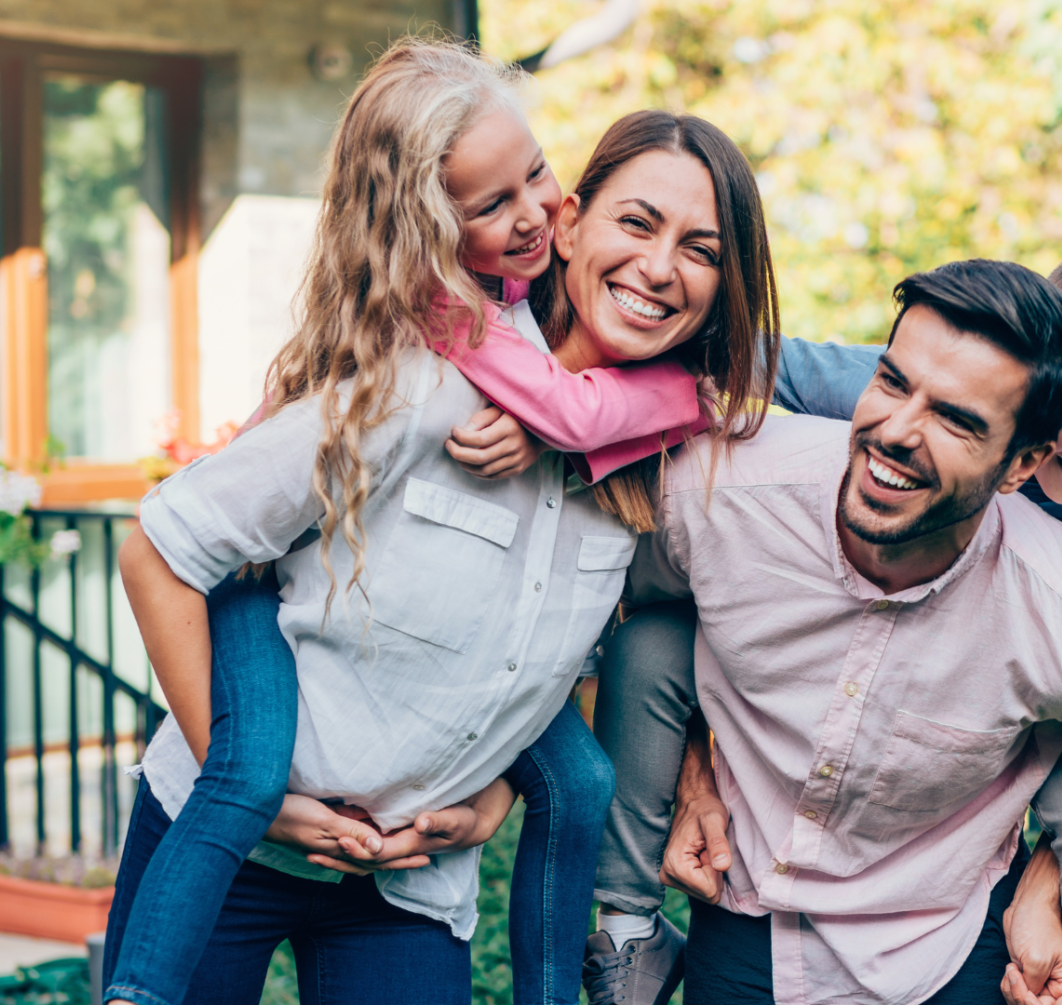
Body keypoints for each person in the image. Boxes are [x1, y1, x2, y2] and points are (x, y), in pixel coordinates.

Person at [103, 38, 780, 1004]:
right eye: (638, 221)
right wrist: (249, 788)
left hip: (408, 882)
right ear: (577, 221)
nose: (662, 268)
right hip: (234, 840)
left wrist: (496, 796)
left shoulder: (664, 471)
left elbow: (566, 668)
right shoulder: (425, 374)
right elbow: (165, 543)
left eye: (703, 249)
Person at [585, 246, 1062, 1005]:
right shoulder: (896, 397)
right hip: (861, 711)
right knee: (651, 643)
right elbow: (735, 358)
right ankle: (629, 929)